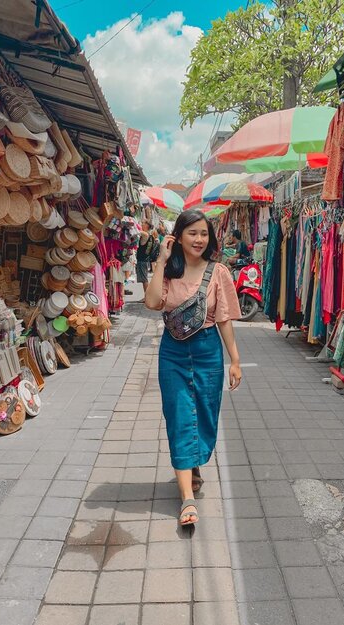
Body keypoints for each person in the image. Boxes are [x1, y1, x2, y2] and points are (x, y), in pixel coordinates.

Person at [145, 209, 242, 526]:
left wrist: (235, 360)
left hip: (207, 350)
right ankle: (187, 498)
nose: (199, 239)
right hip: (172, 352)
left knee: (204, 413)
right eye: (192, 233)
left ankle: (194, 462)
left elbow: (224, 318)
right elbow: (151, 302)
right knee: (179, 415)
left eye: (203, 233)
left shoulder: (219, 272)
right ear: (179, 236)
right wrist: (161, 259)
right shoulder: (169, 271)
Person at [136, 220, 154, 302]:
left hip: (142, 260)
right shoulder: (150, 236)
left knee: (144, 280)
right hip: (145, 260)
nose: (142, 224)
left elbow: (137, 231)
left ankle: (147, 297)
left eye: (143, 223)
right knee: (144, 279)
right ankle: (147, 296)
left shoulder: (146, 234)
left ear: (147, 226)